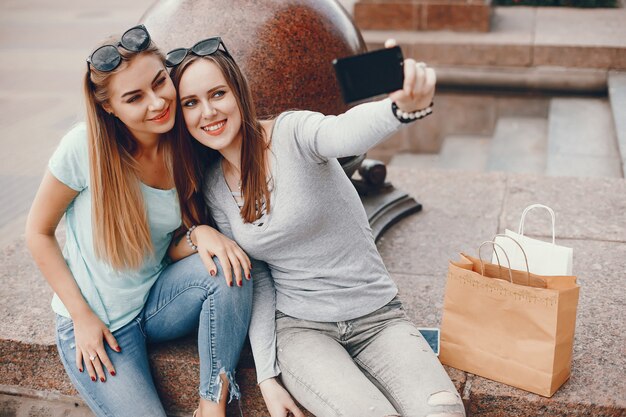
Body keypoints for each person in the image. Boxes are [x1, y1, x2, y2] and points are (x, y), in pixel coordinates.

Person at [168, 37, 466, 417]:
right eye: (191, 103)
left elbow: (344, 132)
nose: (207, 112)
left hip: (378, 317)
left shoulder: (292, 133)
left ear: (238, 92)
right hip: (301, 331)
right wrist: (266, 377)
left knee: (442, 411)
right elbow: (256, 277)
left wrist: (398, 108)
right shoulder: (213, 186)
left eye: (217, 94)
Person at [25, 25, 254, 417]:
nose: (157, 102)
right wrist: (81, 318)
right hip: (100, 325)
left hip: (156, 303)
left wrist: (202, 234)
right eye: (134, 98)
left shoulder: (184, 146)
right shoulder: (83, 149)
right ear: (110, 108)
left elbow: (168, 244)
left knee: (230, 267)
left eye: (160, 82)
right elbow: (38, 232)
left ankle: (212, 403)